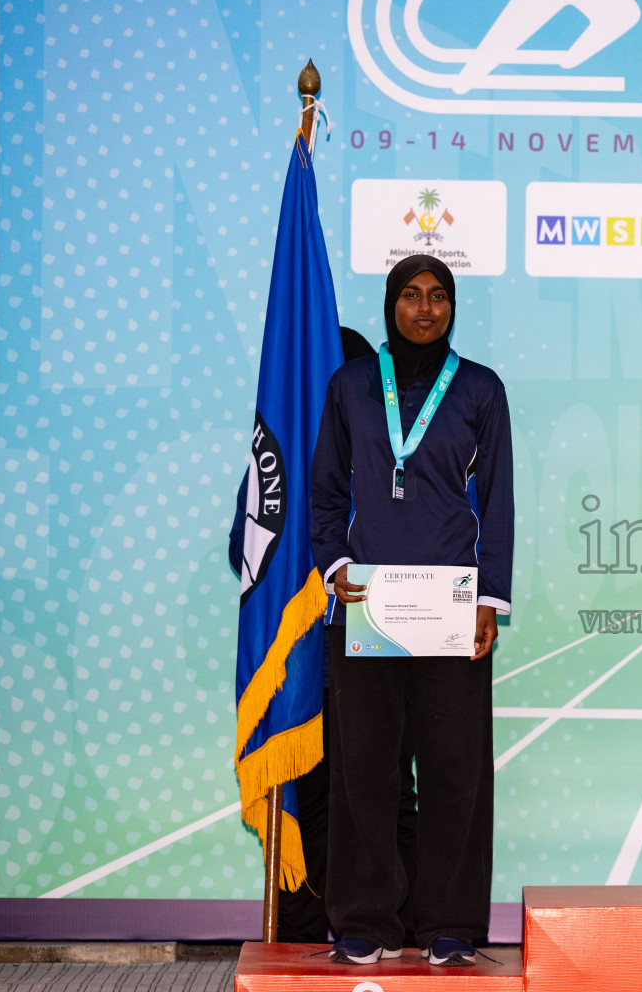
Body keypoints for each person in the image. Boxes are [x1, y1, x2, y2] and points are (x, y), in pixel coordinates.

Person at [309, 254, 514, 966]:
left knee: (455, 768)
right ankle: (365, 919)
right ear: (390, 304)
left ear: (451, 306)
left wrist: (490, 598)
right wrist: (335, 567)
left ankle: (449, 923)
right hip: (367, 602)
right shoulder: (352, 386)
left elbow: (499, 502)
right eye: (410, 296)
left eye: (438, 297)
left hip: (452, 606)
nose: (425, 309)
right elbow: (326, 492)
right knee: (365, 768)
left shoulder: (481, 389)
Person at [228, 327, 419, 946]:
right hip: (308, 677)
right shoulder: (280, 456)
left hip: (383, 652)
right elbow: (247, 548)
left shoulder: (398, 450)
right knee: (312, 809)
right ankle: (307, 946)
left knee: (391, 803)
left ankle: (399, 934)